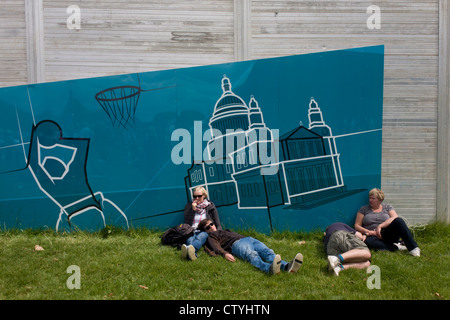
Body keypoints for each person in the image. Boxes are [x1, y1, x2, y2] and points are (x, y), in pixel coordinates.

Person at [198, 219, 303, 275]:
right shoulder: (211, 236)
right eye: (208, 227)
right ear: (205, 231)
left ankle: (286, 266)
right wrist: (224, 253)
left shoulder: (225, 230)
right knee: (252, 255)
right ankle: (268, 269)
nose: (211, 227)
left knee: (268, 252)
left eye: (211, 224)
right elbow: (214, 246)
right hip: (236, 243)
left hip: (249, 239)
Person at [354, 188, 420, 256]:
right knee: (368, 242)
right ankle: (396, 247)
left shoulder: (387, 207)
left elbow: (394, 217)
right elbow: (357, 225)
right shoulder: (363, 209)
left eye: (373, 198)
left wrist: (380, 226)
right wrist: (368, 231)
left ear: (380, 200)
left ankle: (413, 248)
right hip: (371, 235)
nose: (370, 200)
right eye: (370, 198)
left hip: (386, 233)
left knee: (399, 221)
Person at [181, 187, 222, 261]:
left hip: (204, 230)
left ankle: (187, 252)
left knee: (201, 237)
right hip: (191, 230)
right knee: (189, 240)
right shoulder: (188, 206)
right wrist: (193, 210)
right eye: (194, 196)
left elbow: (217, 222)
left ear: (204, 196)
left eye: (199, 196)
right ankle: (193, 254)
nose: (196, 198)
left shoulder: (210, 206)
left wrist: (218, 234)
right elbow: (187, 222)